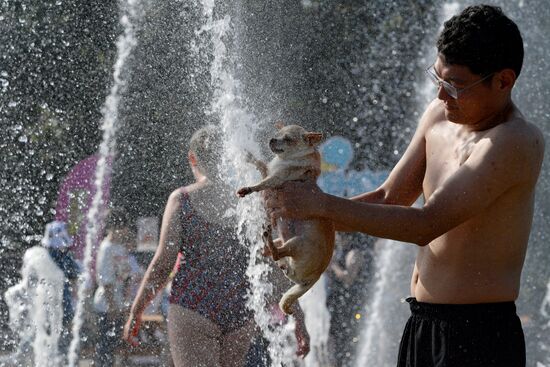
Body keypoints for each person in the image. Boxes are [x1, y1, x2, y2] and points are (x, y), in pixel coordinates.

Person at [265, 5, 545, 367]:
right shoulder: (437, 115)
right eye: (438, 79)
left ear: (503, 81)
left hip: (480, 337)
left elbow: (426, 224)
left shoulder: (515, 141)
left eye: (456, 86)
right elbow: (389, 198)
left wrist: (319, 206)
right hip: (422, 326)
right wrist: (296, 214)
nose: (442, 96)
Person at [124, 125, 309, 366]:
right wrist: (299, 317)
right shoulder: (249, 203)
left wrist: (136, 311)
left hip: (194, 306)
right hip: (240, 309)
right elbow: (270, 263)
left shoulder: (182, 199)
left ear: (193, 158)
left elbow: (163, 264)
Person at [93, 208, 133, 367]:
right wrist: (112, 307)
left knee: (115, 344)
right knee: (105, 346)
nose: (123, 232)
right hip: (106, 305)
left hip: (118, 303)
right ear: (112, 227)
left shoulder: (120, 247)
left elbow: (124, 274)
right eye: (121, 228)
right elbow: (105, 280)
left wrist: (124, 303)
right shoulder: (106, 248)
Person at [326, 232, 371, 367]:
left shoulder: (355, 253)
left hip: (349, 308)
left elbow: (348, 278)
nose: (337, 238)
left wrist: (333, 266)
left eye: (340, 235)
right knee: (334, 341)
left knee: (346, 341)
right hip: (336, 306)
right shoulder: (339, 253)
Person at [41, 221, 81, 360]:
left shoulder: (42, 255)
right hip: (63, 304)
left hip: (45, 305)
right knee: (63, 340)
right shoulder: (65, 256)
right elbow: (76, 275)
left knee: (47, 339)